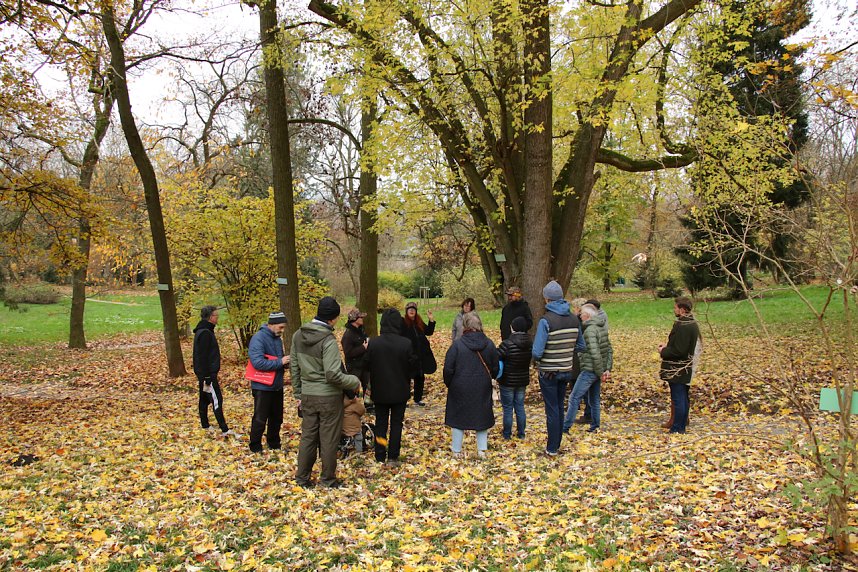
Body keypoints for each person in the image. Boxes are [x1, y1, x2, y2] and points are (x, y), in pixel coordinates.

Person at [292, 296, 361, 488]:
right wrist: (353, 380)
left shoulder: (298, 335)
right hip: (328, 397)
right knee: (329, 439)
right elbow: (332, 374)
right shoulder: (327, 340)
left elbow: (295, 367)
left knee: (308, 437)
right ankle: (327, 480)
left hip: (308, 395)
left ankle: (302, 479)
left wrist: (298, 394)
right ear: (332, 319)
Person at [532, 280, 584, 456]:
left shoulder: (546, 321)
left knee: (552, 409)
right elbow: (581, 345)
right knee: (560, 407)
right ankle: (557, 444)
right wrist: (565, 351)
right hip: (566, 369)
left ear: (547, 299)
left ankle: (552, 448)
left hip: (548, 371)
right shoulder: (574, 319)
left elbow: (537, 351)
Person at [365, 309, 419, 466]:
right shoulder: (405, 343)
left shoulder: (374, 343)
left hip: (380, 390)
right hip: (400, 390)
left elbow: (366, 364)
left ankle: (380, 454)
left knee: (381, 424)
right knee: (396, 424)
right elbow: (413, 366)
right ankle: (393, 456)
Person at [444, 312, 499, 458]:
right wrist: (490, 378)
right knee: (482, 416)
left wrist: (450, 383)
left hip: (459, 386)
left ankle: (456, 450)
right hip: (482, 386)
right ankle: (482, 450)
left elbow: (448, 369)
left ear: (465, 326)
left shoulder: (457, 345)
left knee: (458, 418)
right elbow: (495, 368)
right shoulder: (489, 344)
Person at [563, 303, 612, 434]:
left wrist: (600, 372)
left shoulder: (590, 331)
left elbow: (595, 353)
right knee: (594, 399)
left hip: (590, 370)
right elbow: (608, 350)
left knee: (574, 397)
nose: (580, 315)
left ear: (588, 316)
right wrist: (607, 368)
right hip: (596, 370)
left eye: (582, 313)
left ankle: (565, 426)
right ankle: (595, 425)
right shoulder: (601, 328)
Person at [247, 311, 291, 453]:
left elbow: (278, 359)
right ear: (271, 325)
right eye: (281, 327)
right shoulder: (258, 338)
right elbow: (258, 363)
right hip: (262, 386)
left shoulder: (276, 338)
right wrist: (280, 362)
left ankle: (274, 443)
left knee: (277, 417)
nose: (282, 330)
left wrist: (285, 363)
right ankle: (255, 446)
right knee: (260, 418)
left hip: (276, 385)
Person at [193, 305, 236, 438]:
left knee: (204, 398)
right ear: (211, 317)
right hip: (207, 374)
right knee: (217, 399)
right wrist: (207, 376)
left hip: (204, 373)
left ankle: (205, 424)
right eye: (216, 315)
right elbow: (203, 356)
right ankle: (224, 429)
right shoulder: (205, 333)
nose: (218, 318)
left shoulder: (204, 331)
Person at [659, 296, 700, 434]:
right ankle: (680, 425)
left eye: (675, 307)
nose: (674, 310)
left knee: (679, 397)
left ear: (682, 310)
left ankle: (678, 427)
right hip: (683, 366)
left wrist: (664, 351)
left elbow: (679, 350)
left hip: (678, 367)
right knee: (681, 396)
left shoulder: (684, 325)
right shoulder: (690, 323)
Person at [496, 316, 532, 440]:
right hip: (522, 379)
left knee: (507, 408)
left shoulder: (507, 344)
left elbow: (496, 356)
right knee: (520, 406)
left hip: (507, 380)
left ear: (513, 328)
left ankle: (507, 434)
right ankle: (521, 433)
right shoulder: (530, 343)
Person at [401, 301, 436, 406]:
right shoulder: (403, 323)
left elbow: (429, 331)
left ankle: (417, 399)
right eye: (409, 310)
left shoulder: (418, 322)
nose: (412, 311)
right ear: (406, 312)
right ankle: (404, 399)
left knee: (420, 377)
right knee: (406, 377)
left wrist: (431, 320)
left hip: (421, 355)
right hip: (409, 355)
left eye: (413, 310)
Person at [341, 308, 370, 396]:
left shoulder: (361, 330)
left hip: (365, 365)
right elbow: (348, 353)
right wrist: (363, 347)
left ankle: (369, 407)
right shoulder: (348, 335)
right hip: (354, 368)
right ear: (354, 319)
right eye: (360, 317)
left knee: (368, 388)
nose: (362, 319)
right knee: (352, 391)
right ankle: (352, 407)